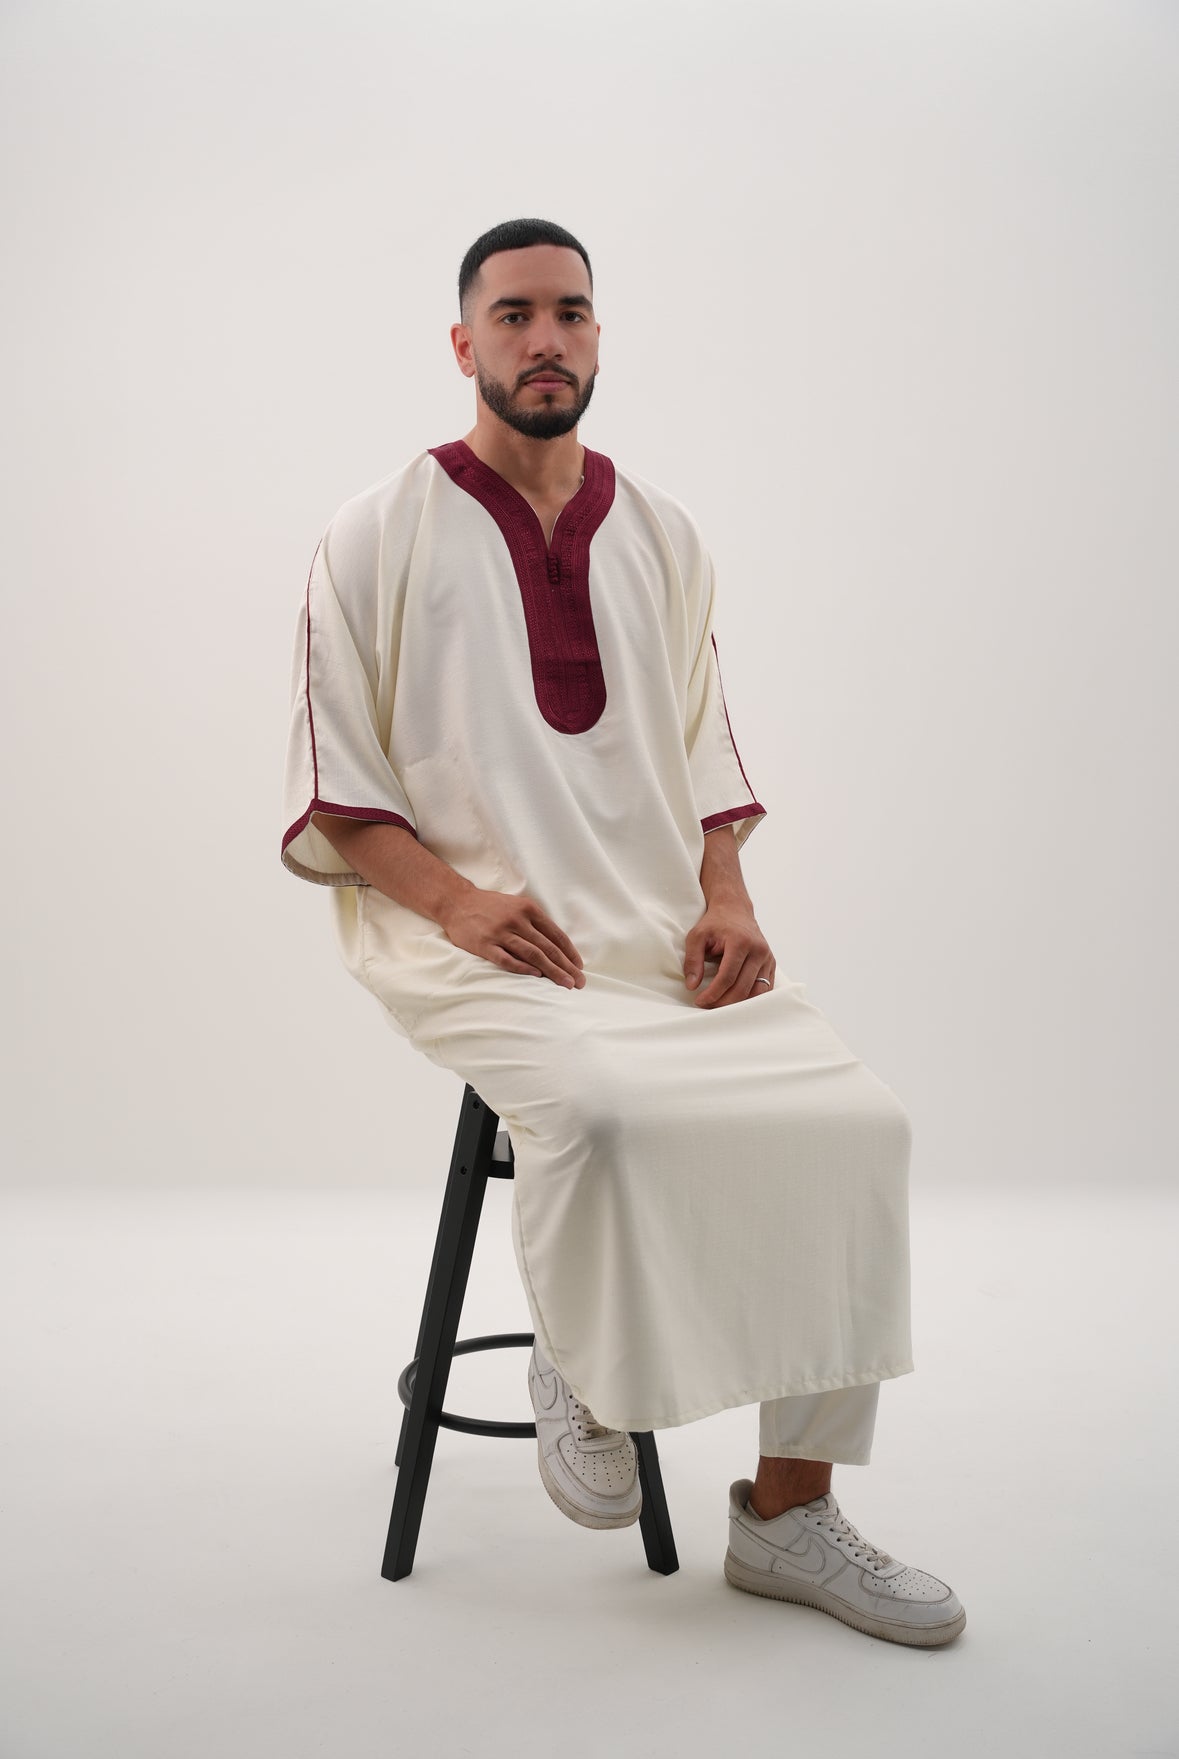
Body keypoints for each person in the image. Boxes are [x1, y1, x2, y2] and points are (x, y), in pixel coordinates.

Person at [280, 217, 965, 1647]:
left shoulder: (663, 533)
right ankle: (582, 1359)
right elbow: (339, 787)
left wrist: (728, 896)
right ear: (463, 344)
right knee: (598, 1109)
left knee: (859, 1124)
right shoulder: (375, 533)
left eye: (572, 313)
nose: (547, 340)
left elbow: (705, 750)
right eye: (514, 315)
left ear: (599, 337)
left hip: (653, 930)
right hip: (461, 938)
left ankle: (788, 1517)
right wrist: (460, 903)